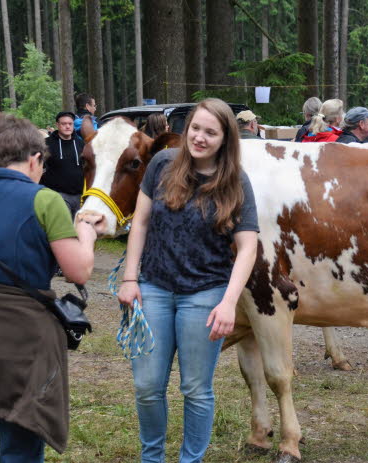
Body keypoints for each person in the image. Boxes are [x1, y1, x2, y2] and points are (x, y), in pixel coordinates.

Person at [0, 115, 105, 462]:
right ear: (35, 158)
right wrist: (86, 231)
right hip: (19, 346)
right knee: (20, 450)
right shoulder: (46, 200)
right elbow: (79, 271)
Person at [117, 98, 259, 463]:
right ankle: (152, 457)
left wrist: (228, 302)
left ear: (225, 138)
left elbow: (247, 247)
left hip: (205, 294)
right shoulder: (163, 164)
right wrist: (130, 278)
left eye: (210, 132)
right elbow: (141, 223)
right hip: (153, 288)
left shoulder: (236, 182)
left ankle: (190, 460)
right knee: (147, 387)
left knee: (196, 389)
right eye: (196, 128)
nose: (199, 137)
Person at [41, 111, 85, 218]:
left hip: (80, 195)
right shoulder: (46, 144)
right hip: (57, 195)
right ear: (57, 125)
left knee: (79, 229)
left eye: (70, 124)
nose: (67, 126)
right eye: (64, 124)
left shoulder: (81, 144)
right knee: (65, 228)